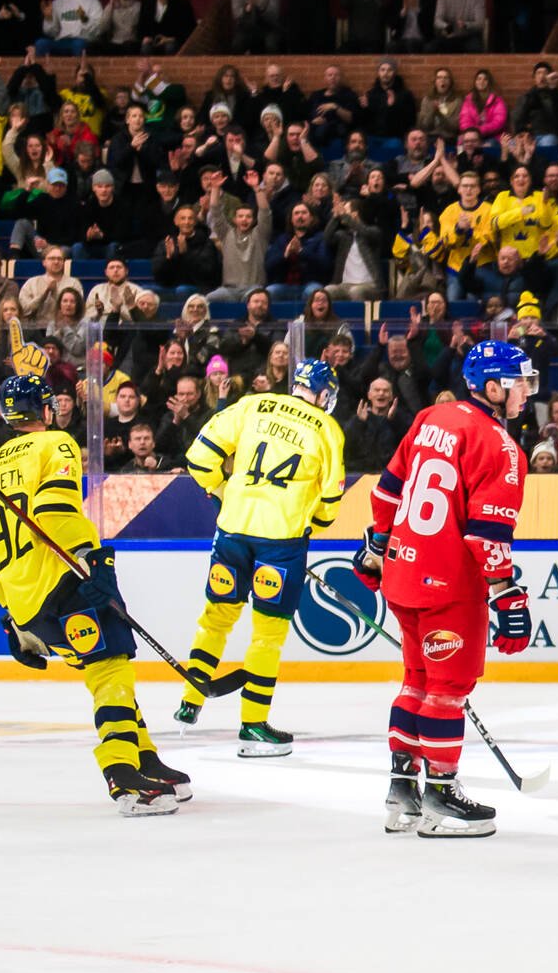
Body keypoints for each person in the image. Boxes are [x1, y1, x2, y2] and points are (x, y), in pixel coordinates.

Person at [0, 374, 191, 814]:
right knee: (110, 670)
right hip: (66, 584)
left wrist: (14, 617)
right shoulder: (54, 444)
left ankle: (143, 758)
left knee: (107, 669)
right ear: (46, 410)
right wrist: (91, 558)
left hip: (29, 606)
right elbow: (54, 510)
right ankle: (122, 776)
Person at [353, 341, 535, 838]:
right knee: (448, 691)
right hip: (449, 586)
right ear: (493, 387)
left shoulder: (432, 418)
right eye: (520, 382)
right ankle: (441, 794)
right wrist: (507, 597)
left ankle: (402, 790)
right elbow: (486, 536)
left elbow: (386, 492)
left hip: (402, 576)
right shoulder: (501, 447)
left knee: (416, 679)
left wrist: (376, 550)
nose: (527, 391)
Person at [174, 360, 346, 756]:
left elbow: (199, 458)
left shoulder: (254, 405)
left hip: (232, 530)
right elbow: (331, 501)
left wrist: (221, 490)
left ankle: (190, 701)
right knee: (267, 634)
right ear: (322, 395)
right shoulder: (326, 428)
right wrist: (311, 523)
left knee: (215, 618)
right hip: (281, 542)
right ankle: (252, 725)